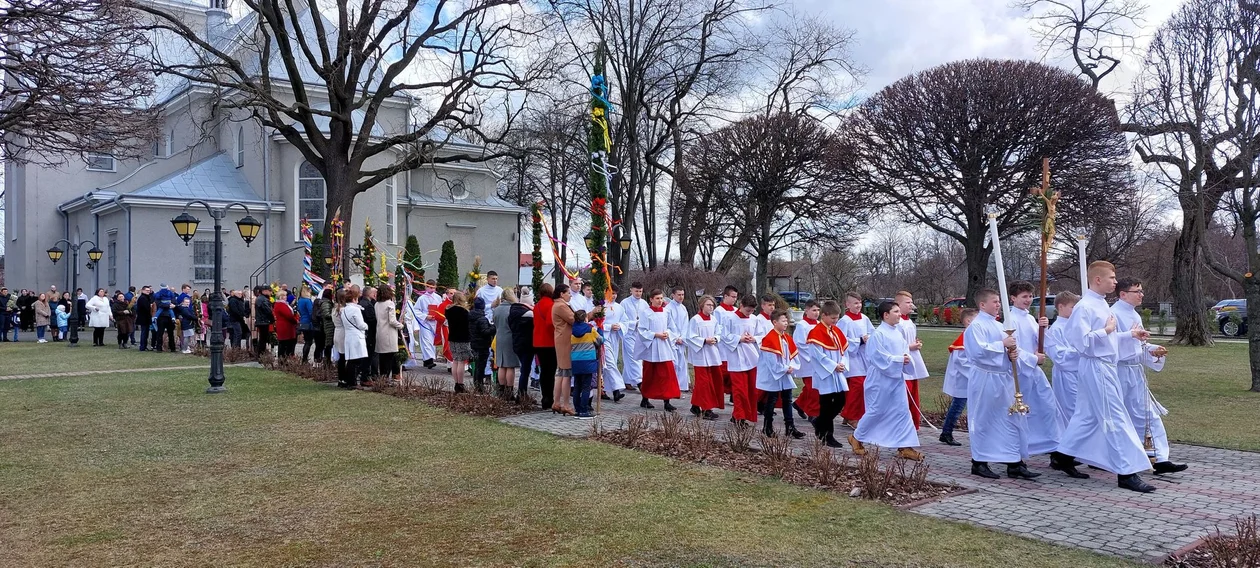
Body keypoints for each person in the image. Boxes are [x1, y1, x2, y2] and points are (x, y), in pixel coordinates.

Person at [1056, 262, 1158, 492]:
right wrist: (1107, 331)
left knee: (1087, 417)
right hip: (1096, 367)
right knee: (1115, 417)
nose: (1115, 281)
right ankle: (1127, 472)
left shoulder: (1102, 305)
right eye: (1111, 277)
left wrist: (1129, 334)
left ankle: (1061, 457)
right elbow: (1081, 341)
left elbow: (1107, 340)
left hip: (1104, 365)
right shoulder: (1085, 307)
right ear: (1098, 280)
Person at [1112, 277, 1188, 475]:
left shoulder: (1134, 315)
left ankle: (1160, 458)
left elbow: (1138, 346)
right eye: (1137, 291)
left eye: (1141, 290)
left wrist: (1153, 350)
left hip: (1135, 371)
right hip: (1119, 371)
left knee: (1147, 414)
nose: (1141, 295)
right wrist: (1132, 338)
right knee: (1119, 415)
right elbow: (1110, 343)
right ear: (1123, 294)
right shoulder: (1113, 314)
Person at [964, 289, 1038, 479]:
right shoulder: (976, 326)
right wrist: (1002, 346)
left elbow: (1009, 348)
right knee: (984, 419)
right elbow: (978, 352)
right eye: (995, 301)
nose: (998, 305)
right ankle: (979, 462)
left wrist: (1011, 354)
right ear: (982, 304)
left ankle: (1014, 462)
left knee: (1010, 419)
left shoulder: (999, 326)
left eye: (999, 301)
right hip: (985, 379)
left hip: (1003, 378)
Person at [1008, 281, 1070, 472]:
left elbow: (1041, 340)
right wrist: (1033, 358)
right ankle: (1016, 457)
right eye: (1024, 297)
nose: (1028, 300)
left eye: (1029, 296)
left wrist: (1044, 327)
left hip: (1034, 371)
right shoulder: (1011, 320)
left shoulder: (1029, 318)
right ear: (1013, 298)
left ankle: (1055, 449)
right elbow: (1012, 347)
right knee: (1021, 413)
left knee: (1049, 407)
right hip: (1020, 372)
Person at [850, 300, 923, 462]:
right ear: (886, 315)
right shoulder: (878, 334)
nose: (899, 314)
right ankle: (857, 437)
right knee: (876, 410)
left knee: (902, 411)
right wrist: (898, 360)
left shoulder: (897, 332)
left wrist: (905, 359)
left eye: (899, 311)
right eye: (896, 311)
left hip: (896, 379)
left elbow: (904, 352)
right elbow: (876, 357)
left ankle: (905, 446)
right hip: (880, 380)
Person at [805, 301, 849, 448]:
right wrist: (833, 365)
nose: (835, 321)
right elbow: (817, 355)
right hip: (825, 372)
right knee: (825, 403)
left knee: (840, 400)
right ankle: (827, 435)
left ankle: (819, 423)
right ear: (824, 315)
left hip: (836, 371)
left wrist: (842, 363)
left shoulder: (836, 331)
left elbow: (843, 350)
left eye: (837, 318)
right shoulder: (816, 332)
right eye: (833, 318)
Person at [757, 309, 805, 439]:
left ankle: (790, 427)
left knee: (787, 400)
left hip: (785, 373)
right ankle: (767, 426)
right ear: (774, 322)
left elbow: (794, 357)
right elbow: (771, 361)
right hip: (774, 374)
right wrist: (784, 368)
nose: (785, 323)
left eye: (786, 321)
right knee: (771, 400)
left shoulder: (787, 338)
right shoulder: (769, 339)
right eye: (783, 321)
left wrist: (792, 367)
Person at [637, 289, 682, 412]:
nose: (660, 301)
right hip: (651, 346)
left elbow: (672, 327)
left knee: (667, 374)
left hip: (664, 346)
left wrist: (667, 333)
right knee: (649, 374)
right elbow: (642, 330)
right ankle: (645, 398)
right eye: (657, 298)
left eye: (661, 298)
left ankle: (667, 401)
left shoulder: (666, 312)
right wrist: (656, 335)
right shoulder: (646, 313)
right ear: (651, 299)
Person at [720, 295, 762, 426]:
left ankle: (742, 415)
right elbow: (724, 336)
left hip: (751, 358)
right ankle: (739, 417)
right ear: (741, 305)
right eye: (748, 310)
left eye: (752, 311)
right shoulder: (730, 318)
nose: (750, 313)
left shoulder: (754, 319)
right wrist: (739, 338)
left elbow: (761, 334)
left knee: (751, 390)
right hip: (737, 358)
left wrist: (754, 338)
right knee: (740, 390)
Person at [939, 308, 978, 446]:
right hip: (963, 379)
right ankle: (946, 432)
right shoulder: (965, 337)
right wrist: (976, 372)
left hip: (968, 378)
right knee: (958, 406)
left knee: (961, 406)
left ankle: (947, 432)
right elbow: (960, 360)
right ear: (968, 321)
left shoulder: (972, 335)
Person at [1045, 292, 1081, 429]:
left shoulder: (1077, 325)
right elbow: (1059, 356)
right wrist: (1081, 351)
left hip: (1081, 371)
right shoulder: (1056, 330)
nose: (1075, 311)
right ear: (1061, 306)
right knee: (1070, 407)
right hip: (1066, 374)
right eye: (1072, 307)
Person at [838, 292, 874, 428]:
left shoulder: (865, 318)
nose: (858, 306)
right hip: (852, 358)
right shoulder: (844, 321)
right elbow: (841, 340)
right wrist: (858, 340)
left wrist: (869, 338)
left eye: (860, 303)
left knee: (863, 387)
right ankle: (852, 416)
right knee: (856, 387)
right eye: (855, 303)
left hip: (864, 357)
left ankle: (849, 414)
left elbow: (872, 332)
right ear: (847, 305)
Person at [894, 291, 929, 430]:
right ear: (899, 304)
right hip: (904, 361)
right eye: (907, 303)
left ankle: (915, 423)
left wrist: (916, 343)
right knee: (905, 394)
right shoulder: (897, 323)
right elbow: (896, 345)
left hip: (913, 360)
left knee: (914, 392)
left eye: (911, 302)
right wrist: (910, 346)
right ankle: (904, 425)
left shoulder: (909, 322)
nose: (911, 305)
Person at [685, 295, 723, 420]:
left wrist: (716, 338)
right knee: (704, 383)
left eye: (712, 305)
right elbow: (690, 337)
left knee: (710, 381)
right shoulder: (695, 320)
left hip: (712, 353)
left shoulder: (713, 319)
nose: (711, 307)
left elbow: (719, 332)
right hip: (700, 355)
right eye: (708, 305)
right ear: (702, 305)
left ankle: (695, 405)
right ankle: (707, 409)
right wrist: (704, 340)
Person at [792, 300, 822, 422]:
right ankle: (813, 412)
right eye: (814, 310)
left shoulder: (820, 324)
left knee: (815, 386)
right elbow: (800, 343)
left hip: (819, 360)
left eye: (818, 310)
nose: (816, 313)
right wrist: (813, 355)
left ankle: (799, 404)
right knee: (812, 387)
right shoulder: (802, 325)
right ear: (806, 310)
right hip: (807, 361)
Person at [570, 309, 603, 419]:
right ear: (585, 318)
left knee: (577, 386)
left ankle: (577, 410)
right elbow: (600, 340)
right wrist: (600, 330)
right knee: (586, 387)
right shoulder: (590, 329)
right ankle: (584, 410)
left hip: (575, 361)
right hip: (588, 361)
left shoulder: (572, 330)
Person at [595, 288, 626, 403]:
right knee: (610, 363)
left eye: (615, 294)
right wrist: (609, 327)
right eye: (611, 293)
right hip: (605, 337)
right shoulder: (601, 307)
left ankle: (611, 390)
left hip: (615, 338)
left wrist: (620, 326)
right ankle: (617, 389)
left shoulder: (619, 307)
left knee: (608, 365)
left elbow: (625, 321)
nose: (613, 296)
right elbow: (596, 323)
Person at [551, 284, 576, 414]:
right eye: (568, 293)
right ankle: (565, 404)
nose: (570, 295)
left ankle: (556, 402)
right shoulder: (561, 306)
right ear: (561, 294)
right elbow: (573, 319)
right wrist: (591, 314)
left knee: (560, 373)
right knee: (566, 373)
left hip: (561, 339)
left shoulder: (558, 305)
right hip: (565, 340)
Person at [339, 286, 371, 388]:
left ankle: (350, 381)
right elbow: (360, 324)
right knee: (355, 361)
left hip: (349, 336)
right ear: (354, 299)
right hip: (356, 336)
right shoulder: (355, 310)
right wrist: (366, 326)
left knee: (351, 360)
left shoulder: (344, 310)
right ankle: (352, 382)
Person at [492, 289, 521, 401]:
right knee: (510, 366)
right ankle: (509, 391)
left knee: (501, 364)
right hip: (510, 337)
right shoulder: (512, 308)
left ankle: (501, 390)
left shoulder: (497, 309)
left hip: (499, 337)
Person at [374, 284, 405, 385]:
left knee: (382, 358)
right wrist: (400, 325)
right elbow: (392, 320)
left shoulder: (376, 304)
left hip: (380, 332)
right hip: (388, 332)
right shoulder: (390, 304)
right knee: (389, 356)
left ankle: (383, 377)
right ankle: (387, 378)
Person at [619, 282, 648, 391]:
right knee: (633, 356)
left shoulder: (644, 303)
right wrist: (634, 323)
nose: (638, 293)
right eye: (636, 291)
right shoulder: (624, 303)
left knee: (632, 358)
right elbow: (622, 318)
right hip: (629, 333)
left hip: (639, 334)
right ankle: (640, 381)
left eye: (640, 291)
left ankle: (627, 380)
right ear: (631, 290)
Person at [508, 288, 536, 401]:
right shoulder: (529, 314)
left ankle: (522, 392)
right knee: (525, 370)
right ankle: (522, 393)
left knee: (524, 369)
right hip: (527, 344)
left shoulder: (512, 311)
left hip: (516, 342)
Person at [532, 283, 557, 407]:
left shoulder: (536, 306)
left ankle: (544, 397)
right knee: (551, 372)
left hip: (538, 342)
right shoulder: (551, 305)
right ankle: (549, 398)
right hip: (550, 342)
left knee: (543, 371)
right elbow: (550, 324)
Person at [715, 286, 741, 400]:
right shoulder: (718, 311)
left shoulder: (736, 311)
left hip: (734, 344)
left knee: (733, 372)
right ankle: (718, 394)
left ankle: (733, 395)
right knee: (723, 373)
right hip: (722, 346)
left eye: (736, 297)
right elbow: (717, 328)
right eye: (732, 297)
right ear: (725, 296)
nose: (734, 299)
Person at [665, 286, 691, 394]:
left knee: (682, 363)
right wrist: (675, 337)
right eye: (679, 295)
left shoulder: (683, 308)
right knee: (674, 363)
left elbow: (686, 325)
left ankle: (681, 385)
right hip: (673, 340)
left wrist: (683, 337)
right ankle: (672, 386)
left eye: (682, 295)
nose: (681, 297)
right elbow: (668, 325)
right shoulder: (668, 309)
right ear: (673, 295)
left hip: (681, 339)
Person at [446, 292, 472, 393]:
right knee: (461, 361)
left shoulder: (448, 310)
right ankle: (461, 384)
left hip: (452, 337)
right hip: (463, 338)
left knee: (455, 360)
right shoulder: (464, 311)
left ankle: (456, 383)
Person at [470, 297, 497, 394]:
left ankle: (476, 384)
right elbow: (485, 332)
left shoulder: (470, 316)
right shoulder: (482, 318)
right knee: (481, 366)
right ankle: (479, 386)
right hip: (482, 344)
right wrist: (494, 327)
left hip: (474, 343)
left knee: (477, 365)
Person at [415, 280, 440, 369]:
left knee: (432, 341)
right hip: (425, 322)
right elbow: (416, 310)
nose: (431, 289)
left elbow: (440, 309)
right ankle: (429, 360)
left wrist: (437, 316)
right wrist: (425, 316)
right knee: (426, 340)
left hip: (435, 322)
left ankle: (428, 360)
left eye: (433, 287)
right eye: (429, 287)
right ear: (426, 287)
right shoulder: (422, 298)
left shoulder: (438, 297)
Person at [358, 285, 379, 376]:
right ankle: (365, 375)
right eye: (373, 293)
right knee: (369, 355)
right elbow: (371, 320)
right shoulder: (368, 305)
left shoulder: (362, 302)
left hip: (366, 332)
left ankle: (364, 373)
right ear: (369, 294)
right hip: (369, 333)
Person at [274, 294, 299, 359]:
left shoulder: (280, 304)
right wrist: (295, 321)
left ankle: (283, 358)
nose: (286, 297)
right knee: (285, 343)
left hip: (284, 325)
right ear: (281, 297)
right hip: (285, 325)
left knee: (284, 343)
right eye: (285, 295)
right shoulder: (281, 305)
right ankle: (283, 359)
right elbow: (289, 315)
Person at [253, 286, 275, 356]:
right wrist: (272, 319)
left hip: (261, 321)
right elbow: (268, 311)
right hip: (263, 321)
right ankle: (261, 355)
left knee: (262, 339)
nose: (271, 293)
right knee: (263, 339)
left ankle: (260, 354)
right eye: (270, 291)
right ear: (264, 291)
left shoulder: (260, 298)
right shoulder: (263, 299)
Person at [297, 287, 316, 363]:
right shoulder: (307, 301)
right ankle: (304, 359)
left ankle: (304, 359)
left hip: (303, 321)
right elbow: (311, 311)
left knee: (306, 341)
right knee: (309, 342)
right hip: (309, 322)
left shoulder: (300, 300)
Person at [319, 288, 335, 366]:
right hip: (328, 325)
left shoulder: (327, 302)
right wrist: (334, 314)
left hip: (329, 325)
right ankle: (327, 361)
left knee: (329, 344)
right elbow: (326, 314)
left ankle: (327, 361)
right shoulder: (325, 303)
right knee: (328, 344)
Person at [135, 286, 154, 351]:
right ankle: (142, 346)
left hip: (146, 317)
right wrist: (150, 306)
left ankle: (144, 346)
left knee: (146, 333)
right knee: (144, 332)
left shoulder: (146, 297)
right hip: (144, 318)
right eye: (147, 290)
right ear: (143, 291)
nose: (148, 292)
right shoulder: (143, 298)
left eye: (149, 290)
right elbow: (146, 308)